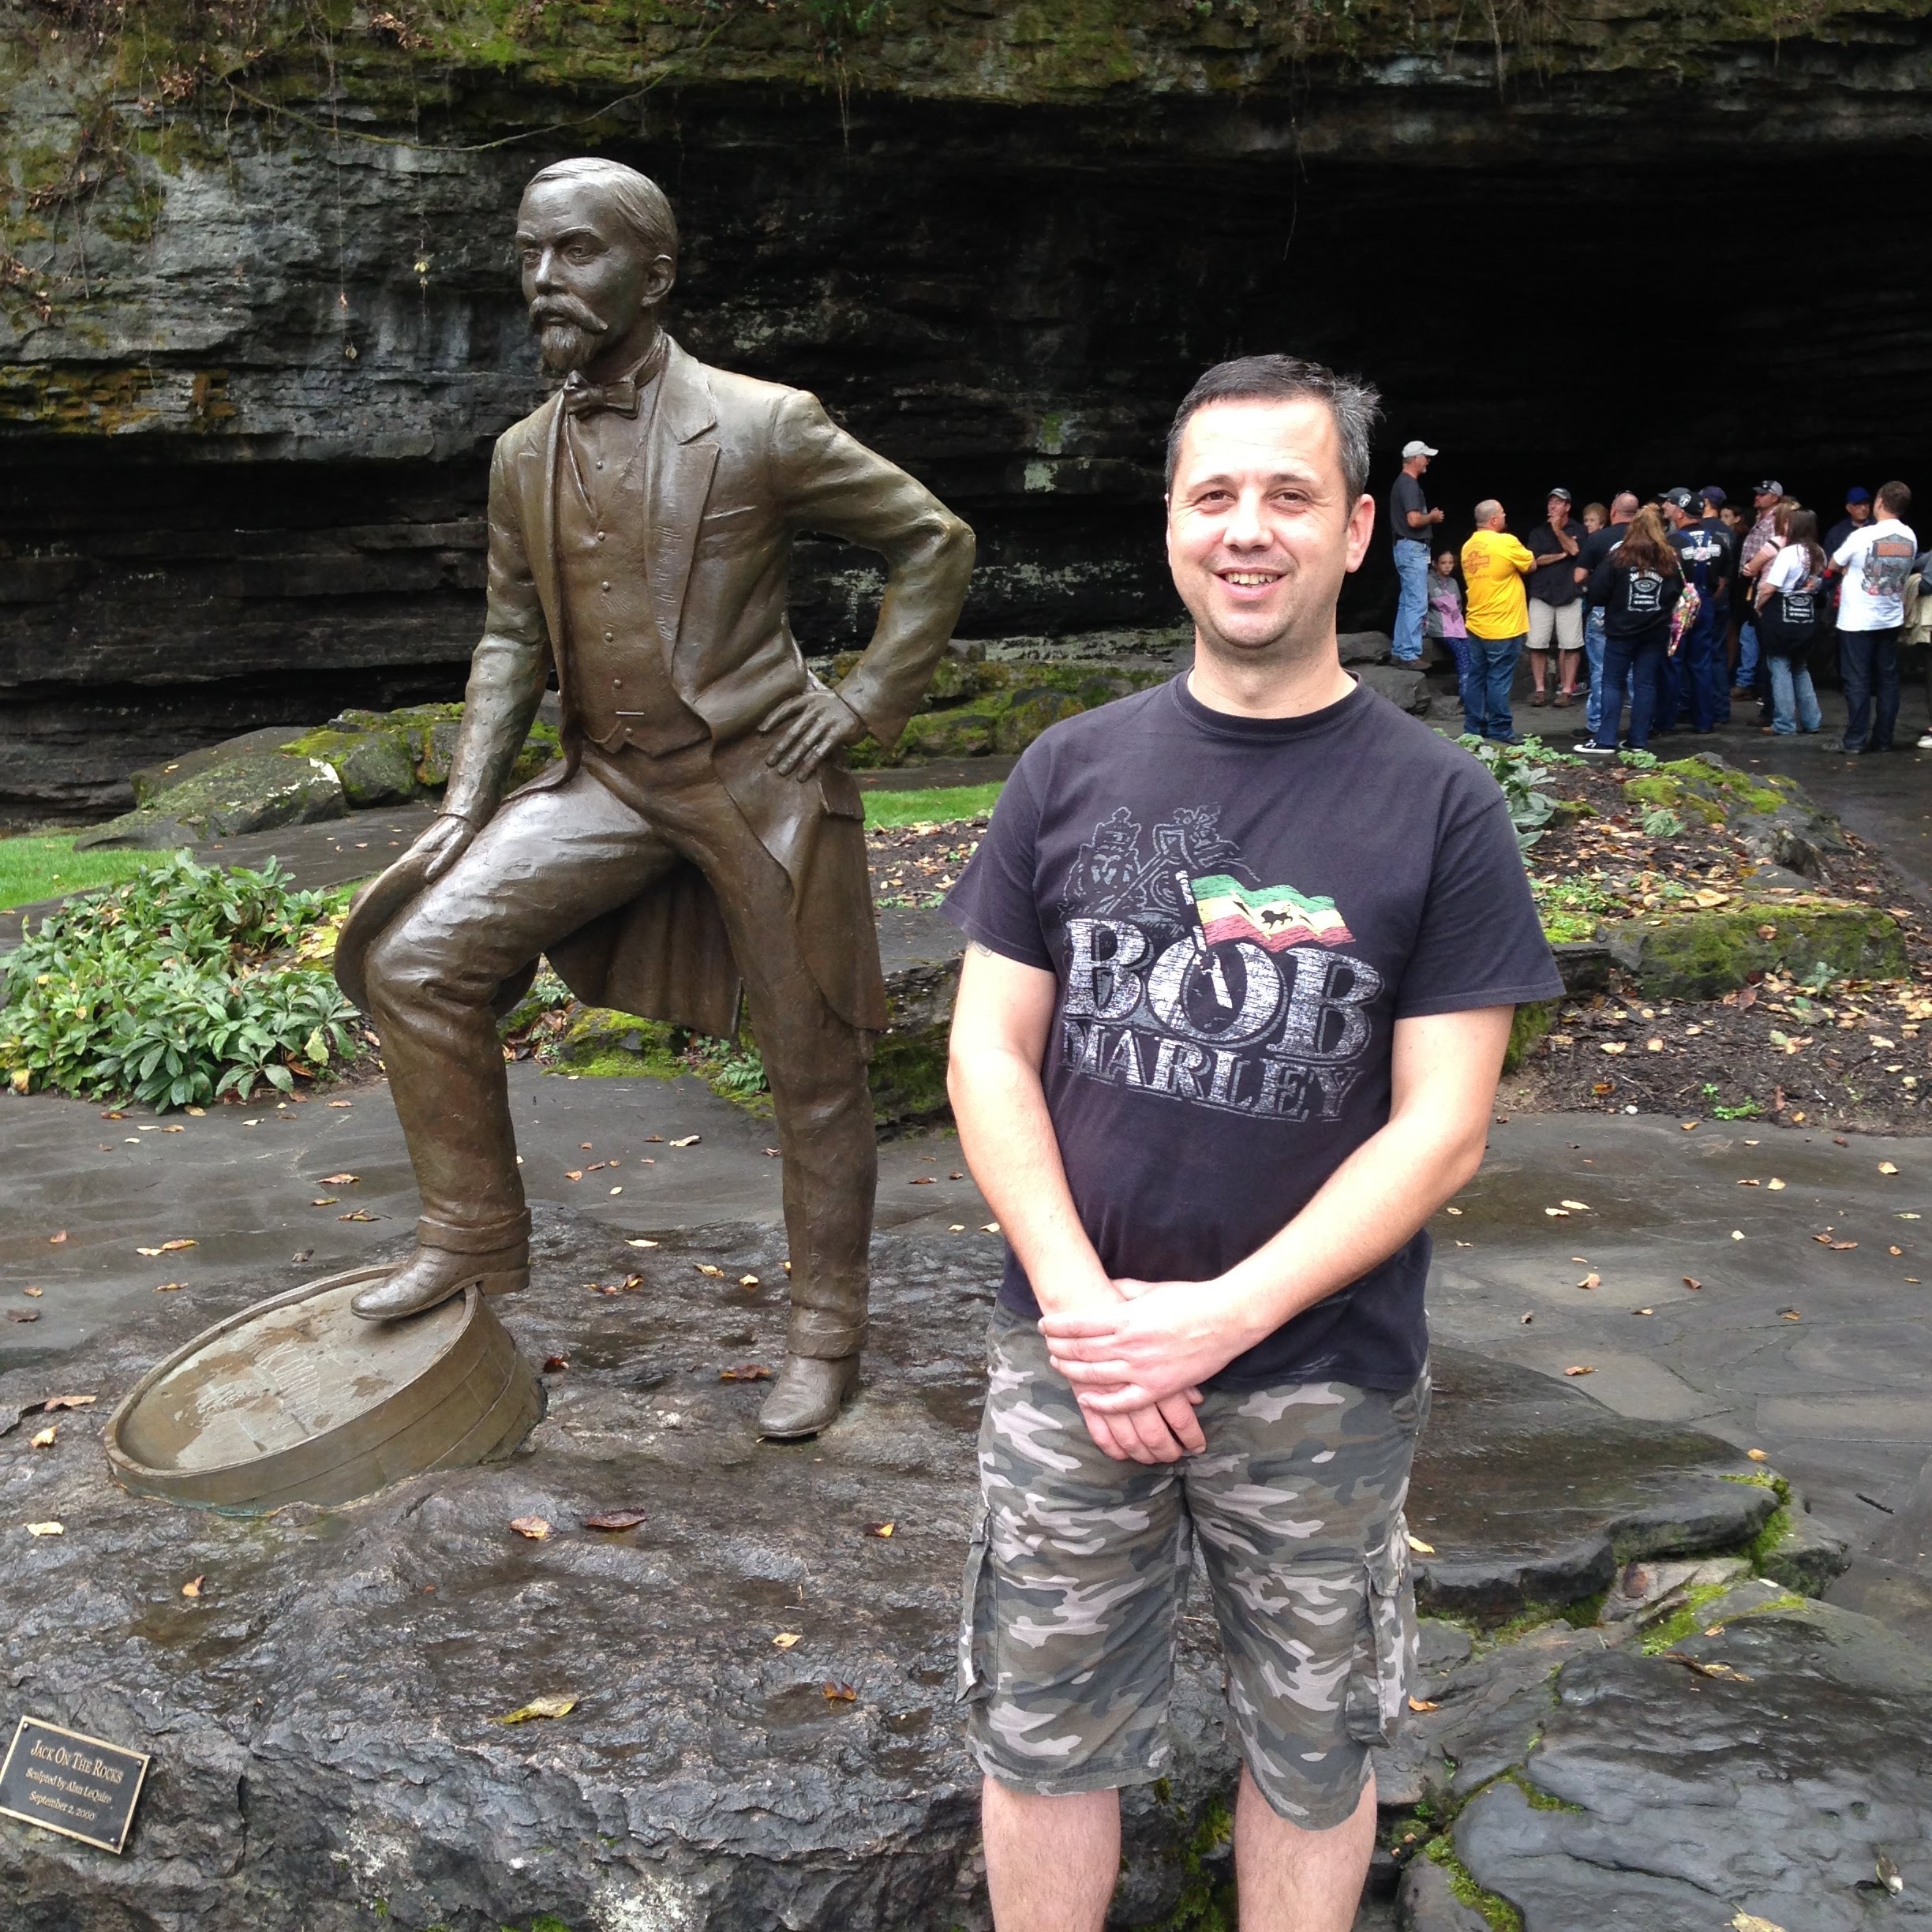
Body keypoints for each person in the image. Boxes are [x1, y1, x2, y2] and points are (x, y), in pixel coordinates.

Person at [942, 350, 1564, 1932]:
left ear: (1360, 531)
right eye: (1214, 494)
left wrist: (1220, 1321)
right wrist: (1090, 1315)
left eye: (1291, 495)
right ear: (1169, 524)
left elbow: (1444, 1134)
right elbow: (989, 1053)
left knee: (1311, 1741)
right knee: (1042, 1730)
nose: (1249, 530)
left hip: (1320, 1376)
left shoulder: (1441, 807)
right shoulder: (1067, 771)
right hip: (1071, 1358)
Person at [332, 156, 975, 1439]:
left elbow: (934, 541)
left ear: (654, 272)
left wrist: (859, 705)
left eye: (573, 253)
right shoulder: (523, 453)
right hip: (607, 782)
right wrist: (465, 802)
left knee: (813, 1063)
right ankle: (470, 1231)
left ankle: (823, 1333)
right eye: (528, 254)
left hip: (759, 783)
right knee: (413, 960)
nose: (542, 281)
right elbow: (510, 639)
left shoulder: (761, 422)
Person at [1581, 505, 1683, 754]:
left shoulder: (1618, 557)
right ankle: (1638, 740)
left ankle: (1605, 739)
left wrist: (1615, 603)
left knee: (1612, 682)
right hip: (1655, 631)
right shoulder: (1669, 558)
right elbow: (1676, 592)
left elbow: (1597, 591)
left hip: (1621, 630)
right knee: (1645, 684)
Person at [1833, 480, 1919, 754]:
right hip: (1890, 615)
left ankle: (1855, 740)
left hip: (1858, 617)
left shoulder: (1862, 536)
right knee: (1888, 679)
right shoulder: (1910, 537)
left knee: (1857, 679)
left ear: (1880, 503)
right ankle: (1883, 739)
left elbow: (1834, 563)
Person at [1460, 500, 1535, 742]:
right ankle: (1500, 729)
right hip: (1504, 625)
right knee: (1498, 679)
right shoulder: (1506, 542)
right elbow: (1530, 565)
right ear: (1494, 520)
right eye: (1502, 513)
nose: (1505, 517)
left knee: (1477, 677)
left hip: (1476, 622)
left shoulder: (1468, 547)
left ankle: (1473, 727)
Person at [1659, 487, 1731, 733]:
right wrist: (1703, 597)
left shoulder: (1671, 543)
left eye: (1669, 504)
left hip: (1678, 604)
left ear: (1680, 511)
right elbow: (1723, 580)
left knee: (1673, 661)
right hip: (1707, 601)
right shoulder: (1719, 540)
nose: (1665, 507)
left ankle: (1667, 721)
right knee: (1702, 662)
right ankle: (1704, 721)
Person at [1754, 507, 1827, 736]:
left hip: (1781, 616)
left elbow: (1770, 587)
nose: (1784, 527)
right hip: (1806, 617)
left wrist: (1758, 604)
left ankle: (1784, 723)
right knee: (1800, 666)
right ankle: (1812, 720)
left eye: (1788, 524)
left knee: (1779, 666)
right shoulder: (1819, 553)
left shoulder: (1789, 553)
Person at [1572, 491, 1636, 746]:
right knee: (1636, 670)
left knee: (1601, 669)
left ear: (1613, 511)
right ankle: (1641, 725)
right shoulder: (1646, 539)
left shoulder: (1600, 538)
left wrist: (1598, 581)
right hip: (1639, 609)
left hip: (1603, 608)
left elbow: (1578, 576)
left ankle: (1598, 724)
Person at [1523, 488, 1584, 710]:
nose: (1552, 506)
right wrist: (1562, 555)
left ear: (1567, 506)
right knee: (1536, 643)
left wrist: (1558, 530)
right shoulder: (1538, 532)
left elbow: (1577, 550)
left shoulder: (1579, 529)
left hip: (1569, 593)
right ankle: (1540, 689)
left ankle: (1567, 690)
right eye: (1550, 502)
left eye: (1558, 503)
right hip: (1542, 594)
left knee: (1571, 644)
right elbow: (1534, 561)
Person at [1387, 440, 1443, 665]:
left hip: (1404, 547)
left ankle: (1399, 651)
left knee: (1406, 601)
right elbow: (1414, 520)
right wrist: (1433, 517)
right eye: (1425, 456)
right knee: (1417, 602)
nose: (1428, 460)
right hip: (1412, 547)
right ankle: (1410, 654)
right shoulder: (1409, 484)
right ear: (1414, 459)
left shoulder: (1402, 483)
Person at [1735, 478, 1783, 706]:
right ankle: (1753, 685)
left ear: (1775, 497)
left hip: (1764, 583)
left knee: (1764, 641)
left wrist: (1751, 571)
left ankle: (1766, 695)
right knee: (1750, 634)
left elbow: (1769, 554)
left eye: (1764, 494)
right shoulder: (1759, 519)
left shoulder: (1777, 522)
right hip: (1752, 584)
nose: (1758, 497)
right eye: (1757, 493)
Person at [1425, 549, 1480, 736]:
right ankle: (1467, 697)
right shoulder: (1428, 580)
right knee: (1462, 654)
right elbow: (1436, 601)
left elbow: (1458, 604)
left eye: (1450, 563)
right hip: (1439, 627)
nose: (1447, 566)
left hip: (1457, 626)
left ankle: (1469, 695)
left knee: (1469, 651)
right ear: (1435, 564)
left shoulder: (1454, 582)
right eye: (1443, 563)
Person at [1825, 486, 1874, 560]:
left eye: (1866, 504)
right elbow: (1828, 560)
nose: (1863, 508)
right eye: (1858, 504)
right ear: (1848, 508)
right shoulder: (1837, 533)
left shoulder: (1878, 525)